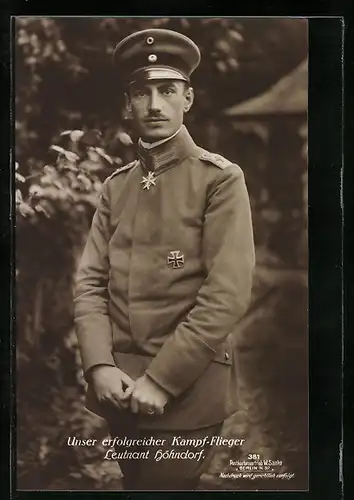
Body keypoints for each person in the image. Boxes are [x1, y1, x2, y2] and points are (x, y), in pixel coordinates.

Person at [73, 27, 255, 491]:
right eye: (142, 92)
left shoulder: (220, 180)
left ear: (187, 99)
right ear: (127, 105)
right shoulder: (116, 186)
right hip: (118, 386)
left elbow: (226, 293)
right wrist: (99, 366)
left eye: (167, 90)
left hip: (185, 388)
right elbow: (91, 282)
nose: (154, 104)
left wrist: (162, 380)